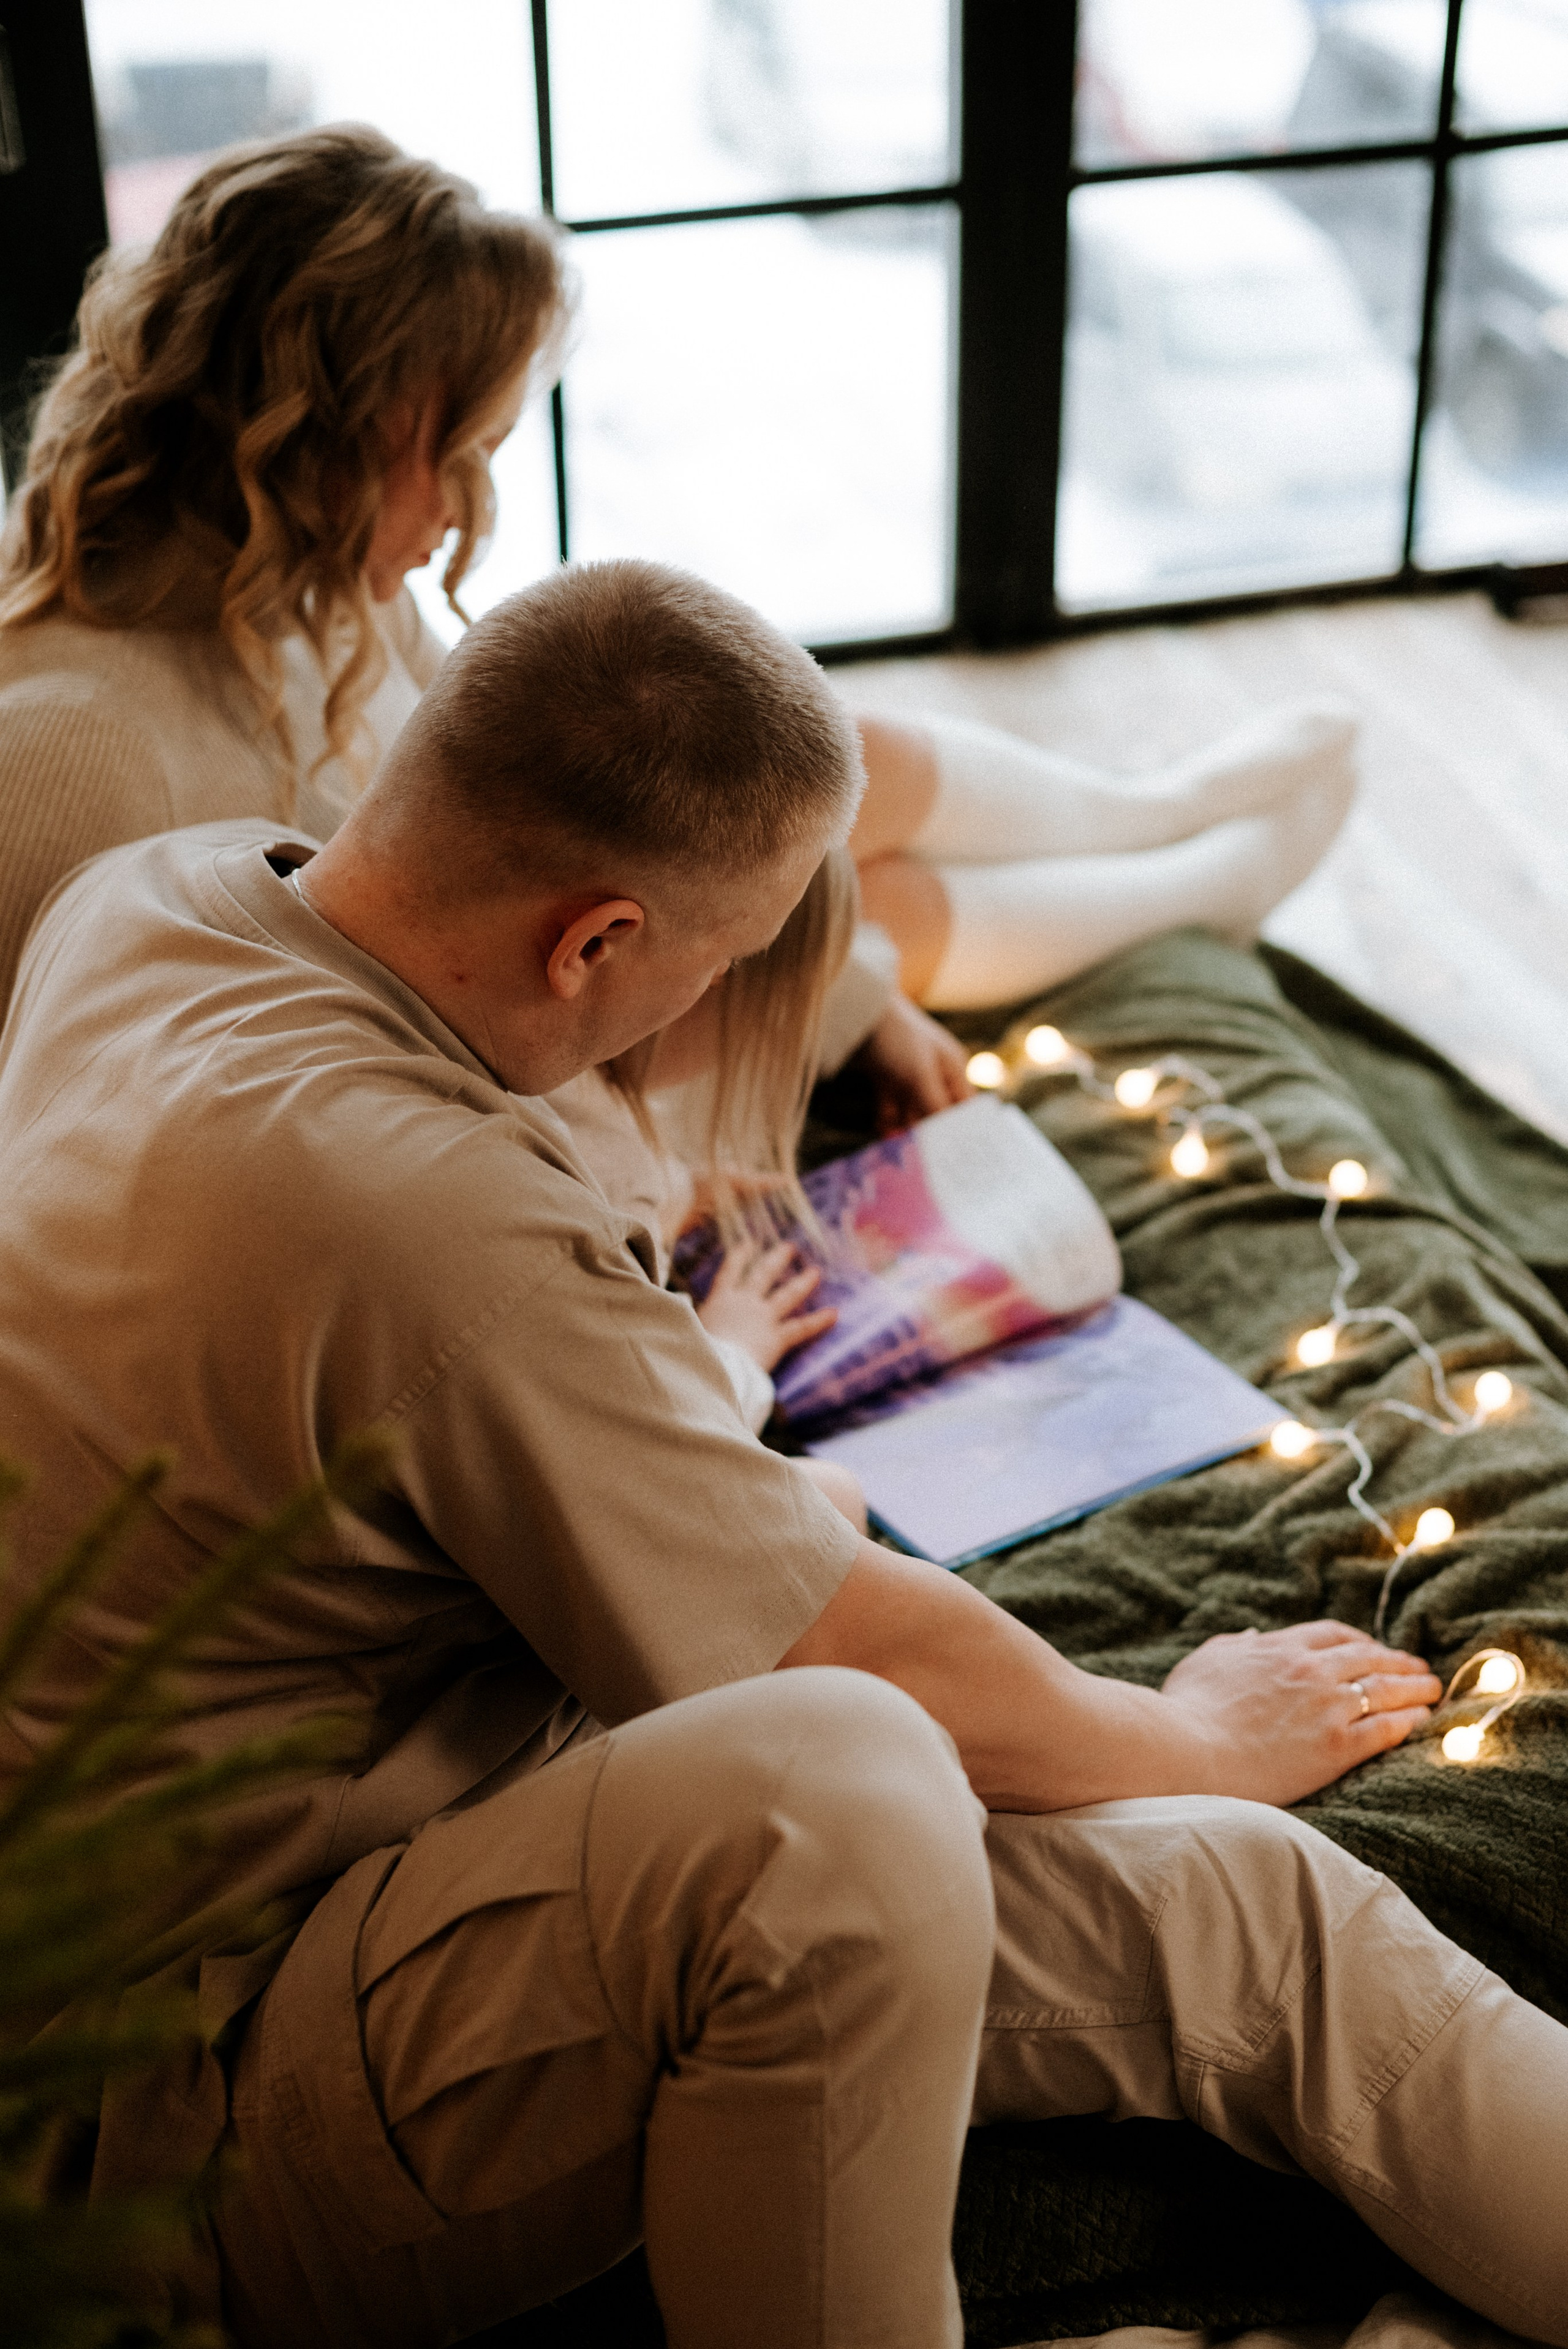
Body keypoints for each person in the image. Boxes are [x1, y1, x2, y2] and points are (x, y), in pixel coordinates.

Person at [1, 559, 1564, 2349]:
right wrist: (1192, 1729)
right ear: (594, 941)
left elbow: (391, 1414)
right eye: (720, 964)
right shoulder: (431, 1215)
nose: (698, 1025)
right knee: (841, 1774)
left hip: (364, 1851)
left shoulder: (160, 896)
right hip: (151, 2105)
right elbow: (838, 1645)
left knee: (1249, 1894)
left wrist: (710, 1405)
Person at [0, 124, 1355, 1129]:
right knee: (802, 894)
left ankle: (1150, 814)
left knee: (795, 785)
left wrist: (849, 1009)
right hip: (492, 1062)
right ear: (315, 438)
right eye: (460, 451)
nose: (473, 506)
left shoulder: (302, 580)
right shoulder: (79, 744)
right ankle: (1190, 888)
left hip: (504, 969)